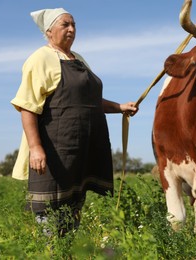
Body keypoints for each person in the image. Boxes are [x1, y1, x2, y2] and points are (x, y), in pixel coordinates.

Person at [11, 8, 138, 236]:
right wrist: (35, 147)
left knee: (73, 210)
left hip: (81, 151)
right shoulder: (40, 58)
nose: (72, 29)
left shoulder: (78, 59)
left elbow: (89, 100)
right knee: (49, 213)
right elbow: (27, 105)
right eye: (65, 25)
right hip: (55, 149)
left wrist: (119, 108)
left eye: (74, 25)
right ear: (49, 31)